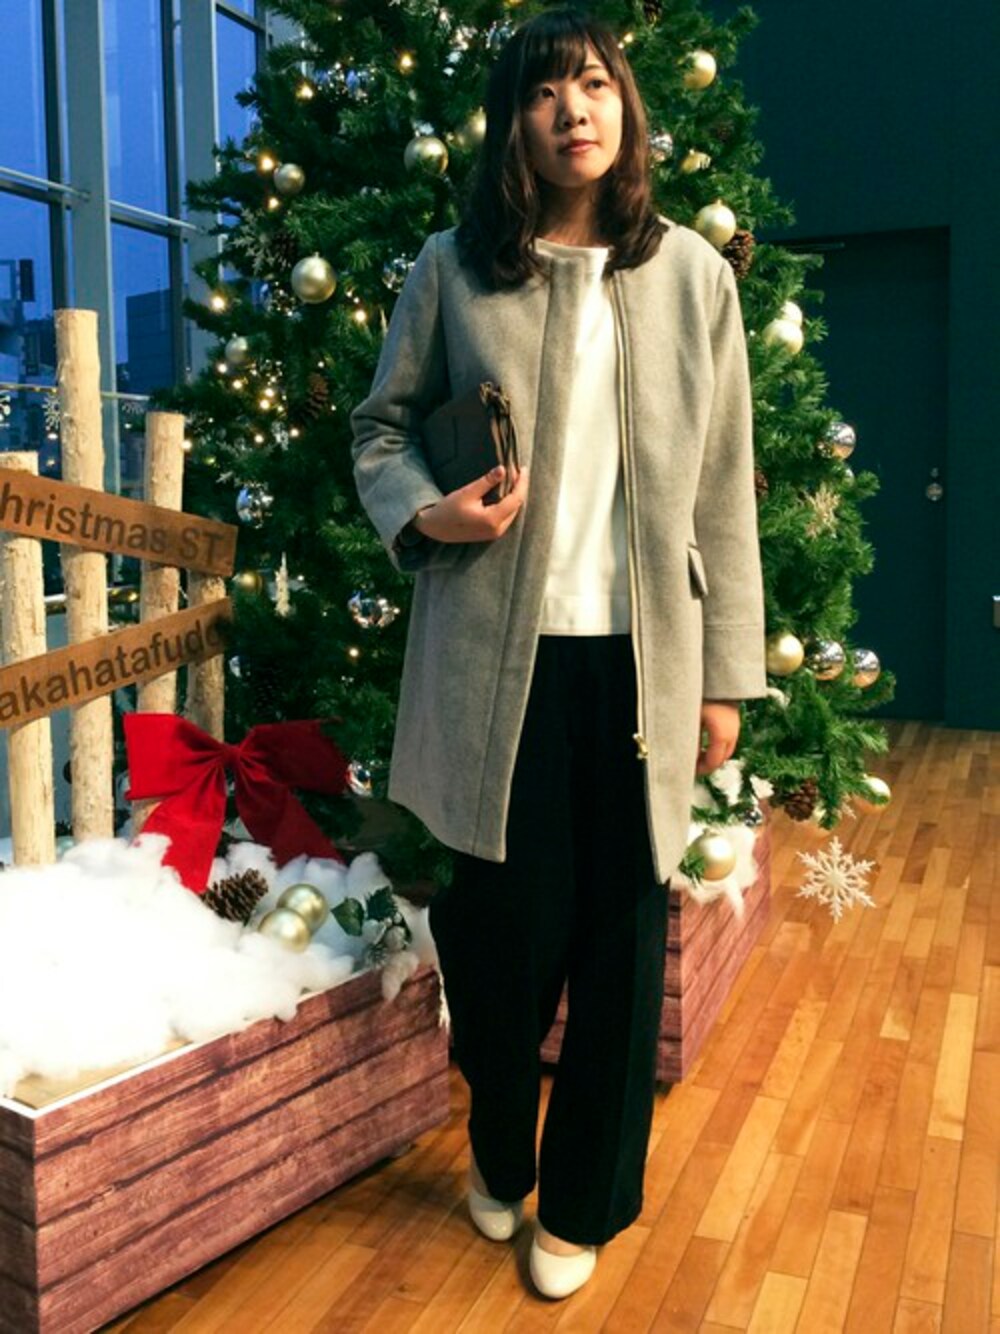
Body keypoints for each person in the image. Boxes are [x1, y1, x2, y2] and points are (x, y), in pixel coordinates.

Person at [350, 7, 766, 1300]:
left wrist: (725, 677)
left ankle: (580, 1204)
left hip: (641, 666)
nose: (573, 109)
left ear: (626, 108)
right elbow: (378, 429)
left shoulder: (691, 275)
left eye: (593, 84)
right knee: (500, 946)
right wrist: (428, 512)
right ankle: (497, 1148)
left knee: (622, 949)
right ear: (513, 125)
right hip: (498, 665)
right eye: (544, 92)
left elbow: (724, 488)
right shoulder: (453, 268)